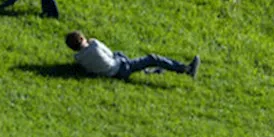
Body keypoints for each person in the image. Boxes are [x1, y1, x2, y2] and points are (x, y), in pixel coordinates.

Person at [66, 31, 199, 81]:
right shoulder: (94, 44)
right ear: (82, 38)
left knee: (121, 55)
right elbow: (109, 53)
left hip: (110, 73)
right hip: (120, 68)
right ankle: (185, 69)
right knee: (152, 58)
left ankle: (150, 72)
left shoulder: (78, 58)